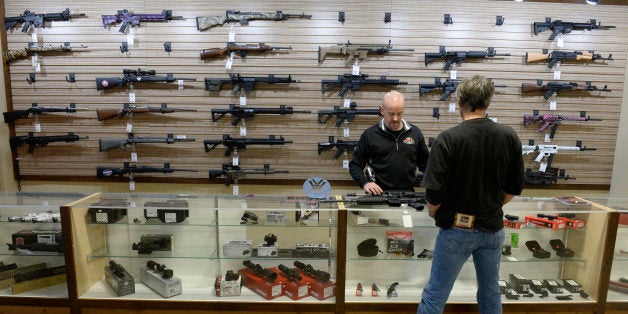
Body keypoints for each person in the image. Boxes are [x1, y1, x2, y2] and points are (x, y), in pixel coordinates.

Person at [418, 75, 525, 314]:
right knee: (490, 292)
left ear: (460, 102)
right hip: (493, 229)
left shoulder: (449, 138)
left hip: (456, 229)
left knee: (435, 294)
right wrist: (493, 205)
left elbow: (434, 193)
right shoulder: (509, 136)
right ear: (488, 102)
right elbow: (513, 188)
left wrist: (436, 213)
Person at [349, 90, 430, 195]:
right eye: (391, 114)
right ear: (382, 110)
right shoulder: (369, 135)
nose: (395, 118)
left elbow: (426, 165)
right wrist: (365, 183)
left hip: (408, 194)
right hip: (378, 194)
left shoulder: (415, 133)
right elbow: (355, 165)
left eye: (399, 113)